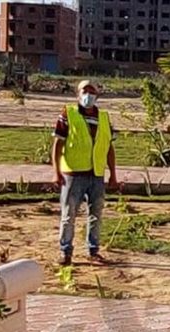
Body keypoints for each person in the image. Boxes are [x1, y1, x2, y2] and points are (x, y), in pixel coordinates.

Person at [52, 80, 118, 266]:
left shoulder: (103, 117)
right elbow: (57, 145)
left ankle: (93, 250)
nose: (88, 95)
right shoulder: (68, 114)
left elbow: (109, 147)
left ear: (97, 95)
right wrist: (56, 172)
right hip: (73, 173)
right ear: (78, 94)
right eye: (84, 91)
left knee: (96, 214)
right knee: (69, 215)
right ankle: (65, 251)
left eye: (92, 91)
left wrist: (113, 174)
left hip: (96, 173)